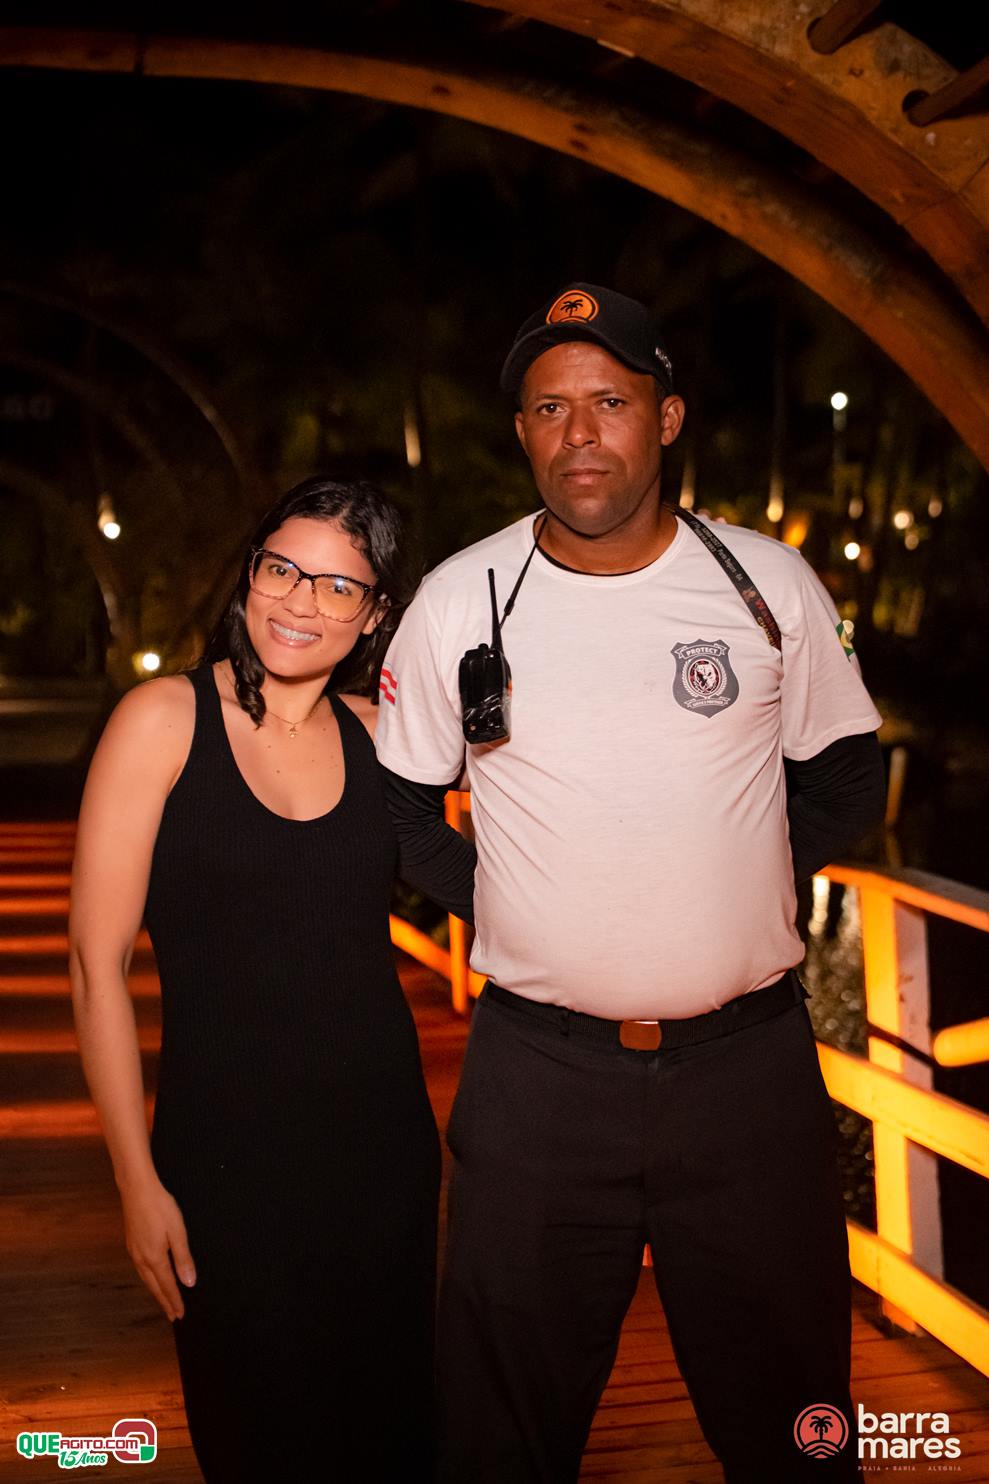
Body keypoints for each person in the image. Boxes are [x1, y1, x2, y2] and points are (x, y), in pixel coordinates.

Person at [375, 284, 885, 1483]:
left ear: (665, 417)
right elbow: (397, 811)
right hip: (537, 1078)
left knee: (796, 1425)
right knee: (497, 1428)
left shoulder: (764, 583)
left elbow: (844, 778)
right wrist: (506, 896)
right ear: (522, 432)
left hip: (744, 1075)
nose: (579, 432)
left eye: (608, 400)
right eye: (549, 407)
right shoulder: (459, 597)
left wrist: (741, 881)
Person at [69, 477, 440, 1483]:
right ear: (249, 573)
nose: (298, 602)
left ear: (375, 614)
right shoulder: (162, 720)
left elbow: (508, 854)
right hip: (226, 1167)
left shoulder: (382, 737)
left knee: (392, 1440)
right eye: (282, 569)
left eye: (337, 586)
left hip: (382, 1155)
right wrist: (134, 1180)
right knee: (258, 1440)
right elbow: (96, 967)